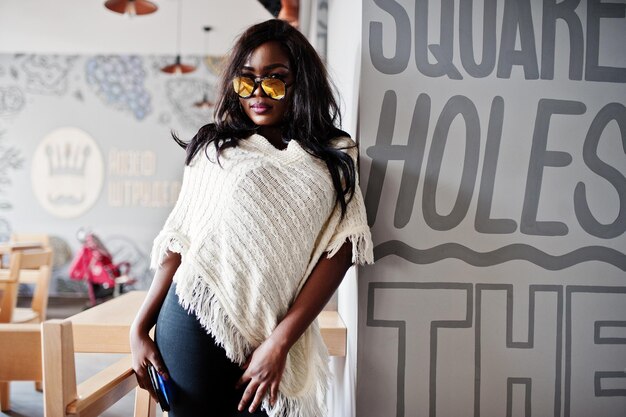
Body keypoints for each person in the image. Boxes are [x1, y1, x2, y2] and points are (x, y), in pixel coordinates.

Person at [130, 19, 373, 417]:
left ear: (302, 83)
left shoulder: (335, 153)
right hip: (194, 318)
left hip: (274, 328)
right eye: (247, 81)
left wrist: (280, 342)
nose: (258, 93)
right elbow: (180, 242)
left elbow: (342, 249)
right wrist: (139, 326)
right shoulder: (217, 148)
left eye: (275, 79)